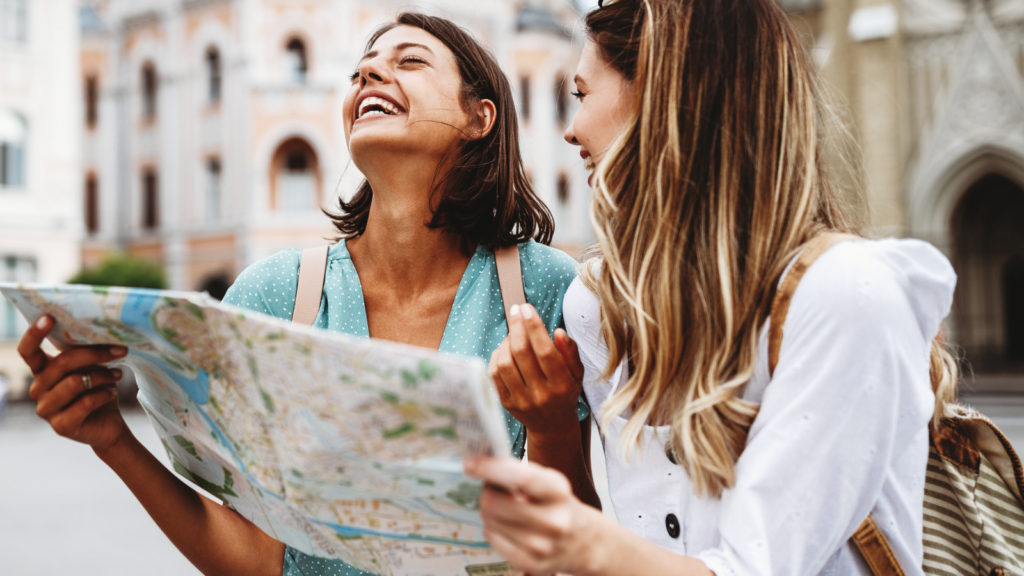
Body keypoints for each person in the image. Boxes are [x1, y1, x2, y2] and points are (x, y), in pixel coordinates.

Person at [17, 13, 594, 576]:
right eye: (360, 72)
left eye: (409, 61)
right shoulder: (276, 294)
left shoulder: (546, 289)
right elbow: (260, 559)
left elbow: (586, 543)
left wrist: (551, 430)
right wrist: (114, 440)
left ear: (479, 117)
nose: (368, 77)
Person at [469, 0, 958, 575]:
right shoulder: (598, 305)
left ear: (667, 97)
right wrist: (550, 428)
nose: (571, 129)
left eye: (582, 94)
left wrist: (581, 541)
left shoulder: (844, 293)